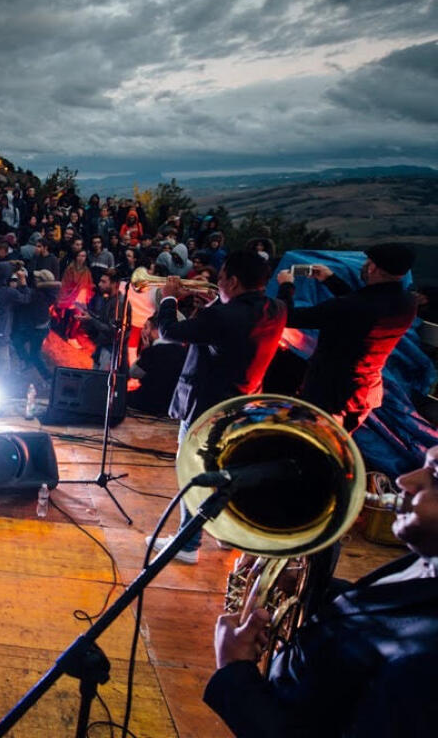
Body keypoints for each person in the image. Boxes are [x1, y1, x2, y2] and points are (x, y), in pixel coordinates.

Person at [204, 442, 438, 737]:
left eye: (436, 477)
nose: (405, 480)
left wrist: (234, 670)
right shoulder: (427, 558)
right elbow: (393, 611)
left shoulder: (423, 667)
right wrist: (318, 589)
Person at [151, 249, 287, 563]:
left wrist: (170, 297)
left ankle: (187, 545)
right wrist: (212, 302)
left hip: (206, 406)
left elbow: (169, 332)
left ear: (234, 281)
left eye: (221, 278)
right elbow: (229, 328)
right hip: (244, 403)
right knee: (226, 470)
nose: (218, 282)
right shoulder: (276, 309)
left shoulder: (222, 316)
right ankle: (227, 534)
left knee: (192, 472)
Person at [274, 243, 418, 431]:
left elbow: (289, 317)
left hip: (331, 392)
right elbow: (364, 304)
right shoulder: (408, 303)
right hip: (367, 389)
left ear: (373, 267)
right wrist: (330, 279)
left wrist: (286, 286)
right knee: (343, 438)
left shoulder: (349, 307)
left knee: (318, 441)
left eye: (367, 263)